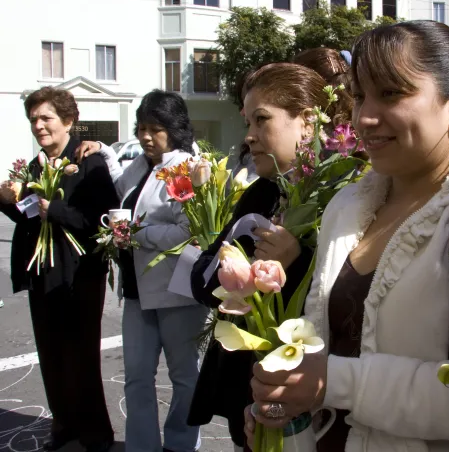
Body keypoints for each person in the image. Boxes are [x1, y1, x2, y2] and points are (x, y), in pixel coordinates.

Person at [244, 20, 449, 451]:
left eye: (391, 93)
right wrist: (287, 407)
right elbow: (319, 344)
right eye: (358, 96)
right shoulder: (347, 207)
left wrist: (331, 382)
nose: (366, 117)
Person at [187, 61, 351, 451]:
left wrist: (302, 256)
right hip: (246, 390)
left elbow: (353, 307)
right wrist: (242, 277)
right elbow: (202, 282)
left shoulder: (346, 198)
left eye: (262, 120)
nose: (250, 137)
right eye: (248, 122)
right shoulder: (260, 194)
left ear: (308, 122)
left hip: (313, 396)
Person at [75, 90, 209, 452]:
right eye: (141, 128)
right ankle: (142, 446)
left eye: (156, 128)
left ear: (175, 129)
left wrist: (138, 235)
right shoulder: (144, 163)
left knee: (184, 378)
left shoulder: (186, 168)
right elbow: (122, 188)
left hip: (176, 292)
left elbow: (190, 231)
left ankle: (180, 445)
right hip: (136, 292)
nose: (146, 136)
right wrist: (103, 149)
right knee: (136, 378)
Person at [0, 87, 116, 452]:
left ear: (68, 121)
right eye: (34, 119)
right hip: (42, 270)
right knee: (50, 355)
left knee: (81, 356)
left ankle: (96, 433)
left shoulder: (88, 161)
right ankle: (63, 425)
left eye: (46, 118)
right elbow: (30, 218)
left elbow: (104, 219)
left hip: (79, 272)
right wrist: (7, 203)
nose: (39, 125)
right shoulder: (34, 167)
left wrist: (59, 211)